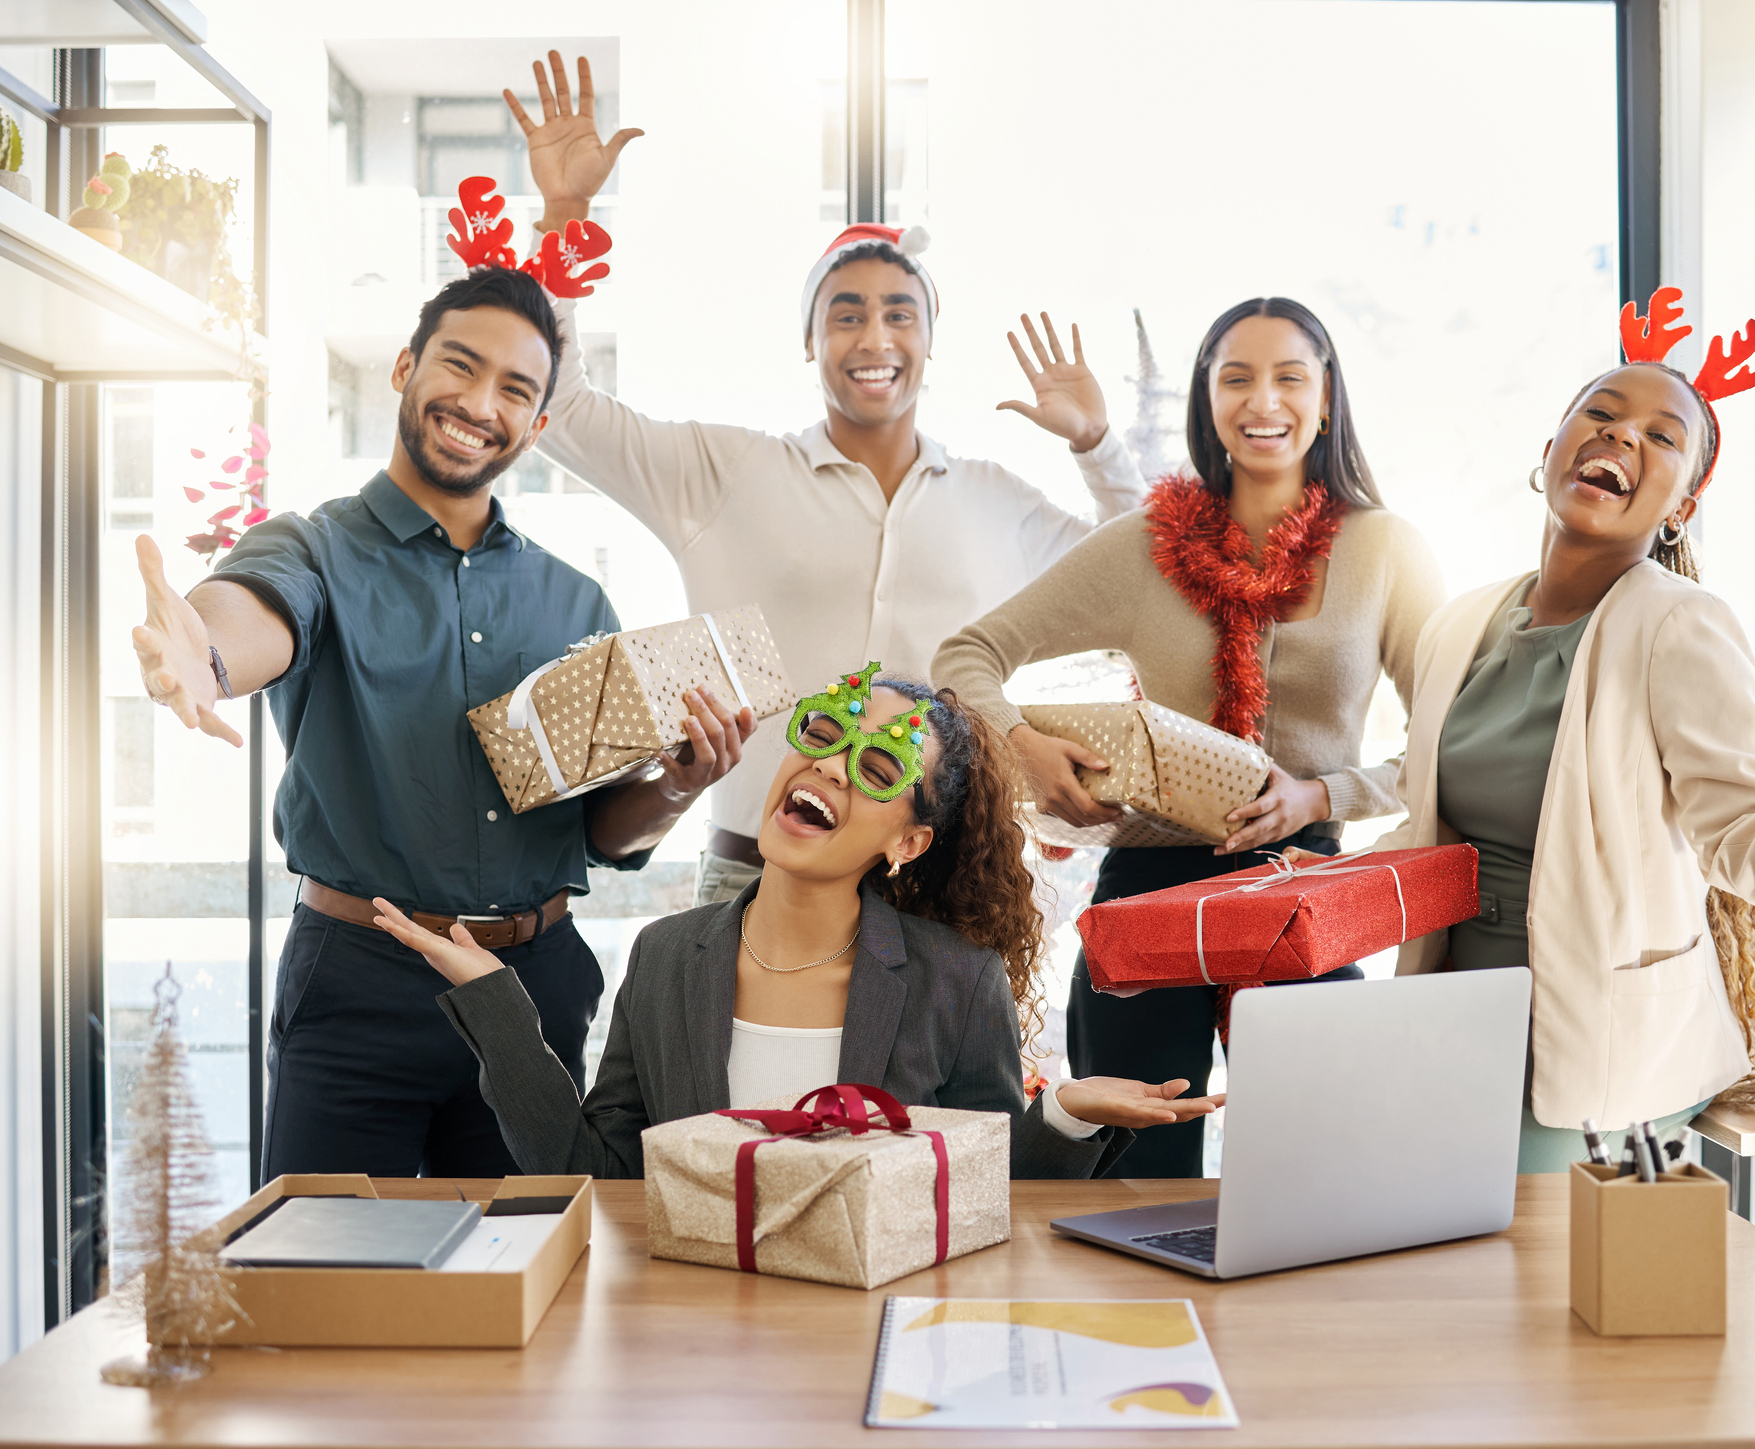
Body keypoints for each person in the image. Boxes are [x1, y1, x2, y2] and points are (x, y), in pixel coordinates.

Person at [131, 265, 752, 1179]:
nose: (478, 402)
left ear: (537, 426)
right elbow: (253, 611)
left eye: (515, 389)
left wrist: (675, 786)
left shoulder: (574, 599)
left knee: (529, 1292)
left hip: (533, 986)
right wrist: (205, 659)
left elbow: (604, 832)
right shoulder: (313, 547)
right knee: (325, 1282)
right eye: (459, 365)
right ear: (404, 368)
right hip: (358, 983)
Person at [500, 51, 1151, 908]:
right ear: (810, 341)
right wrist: (564, 215)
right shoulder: (727, 472)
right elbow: (569, 410)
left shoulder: (997, 501)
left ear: (929, 339)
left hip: (940, 878)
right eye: (845, 314)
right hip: (751, 875)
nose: (873, 336)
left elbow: (1145, 567)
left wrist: (1099, 443)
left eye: (898, 313)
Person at [1377, 288, 1755, 1168]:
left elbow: (1742, 841)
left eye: (1662, 438)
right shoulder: (1462, 621)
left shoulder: (1679, 625)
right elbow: (1423, 804)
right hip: (1452, 1008)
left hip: (1598, 1033)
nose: (1624, 435)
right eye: (1603, 413)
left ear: (1681, 509)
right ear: (1549, 451)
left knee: (1526, 1281)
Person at [932, 297, 1447, 1177]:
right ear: (1206, 400)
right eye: (1235, 377)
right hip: (1150, 890)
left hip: (1301, 887)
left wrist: (1323, 795)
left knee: (1319, 1167)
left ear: (1327, 401)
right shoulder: (1141, 544)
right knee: (1132, 1172)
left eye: (1290, 377)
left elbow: (1447, 736)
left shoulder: (1386, 549)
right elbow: (966, 654)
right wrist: (1023, 744)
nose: (1263, 401)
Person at [373, 666, 1223, 1178]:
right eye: (826, 730)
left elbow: (987, 1188)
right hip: (696, 1336)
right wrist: (499, 1007)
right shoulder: (666, 956)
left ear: (909, 840)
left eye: (881, 765)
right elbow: (594, 1171)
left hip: (872, 1333)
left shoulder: (954, 980)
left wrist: (1069, 1111)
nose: (831, 765)